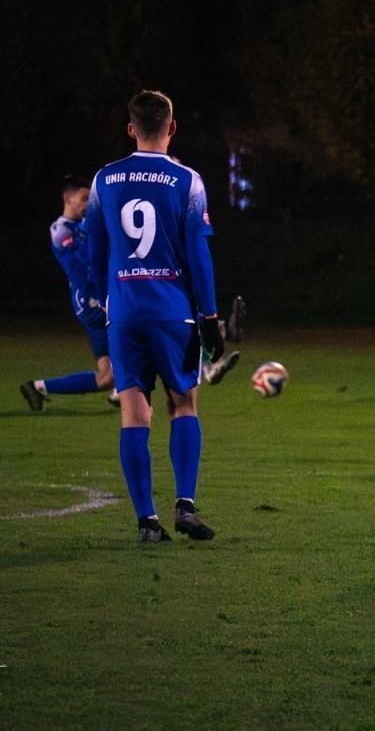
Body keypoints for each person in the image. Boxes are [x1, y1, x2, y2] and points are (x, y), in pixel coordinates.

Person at [83, 90, 225, 544]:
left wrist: (108, 303)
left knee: (133, 414)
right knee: (183, 403)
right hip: (172, 312)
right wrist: (210, 315)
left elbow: (95, 251)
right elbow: (199, 253)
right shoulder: (188, 180)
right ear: (172, 126)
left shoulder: (104, 180)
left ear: (131, 129)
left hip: (124, 313)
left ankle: (146, 521)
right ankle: (184, 506)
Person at [20, 175, 121, 411]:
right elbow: (86, 262)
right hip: (90, 301)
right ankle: (128, 383)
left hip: (99, 300)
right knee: (141, 326)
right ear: (68, 198)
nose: (88, 204)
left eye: (91, 199)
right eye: (84, 198)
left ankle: (36, 387)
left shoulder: (88, 227)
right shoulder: (61, 229)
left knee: (105, 377)